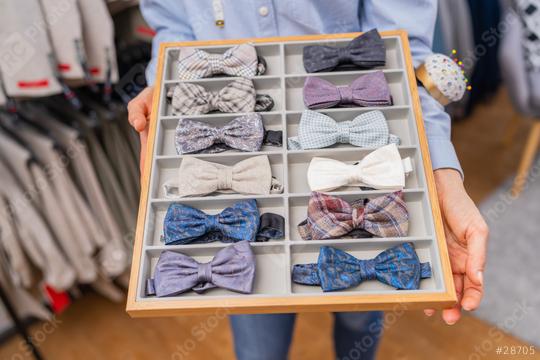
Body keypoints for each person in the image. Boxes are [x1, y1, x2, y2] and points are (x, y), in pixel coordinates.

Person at [127, 1, 489, 359]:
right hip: (251, 153)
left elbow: (403, 53)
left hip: (356, 129)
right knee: (258, 346)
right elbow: (173, 28)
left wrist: (440, 171)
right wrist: (165, 89)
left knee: (361, 321)